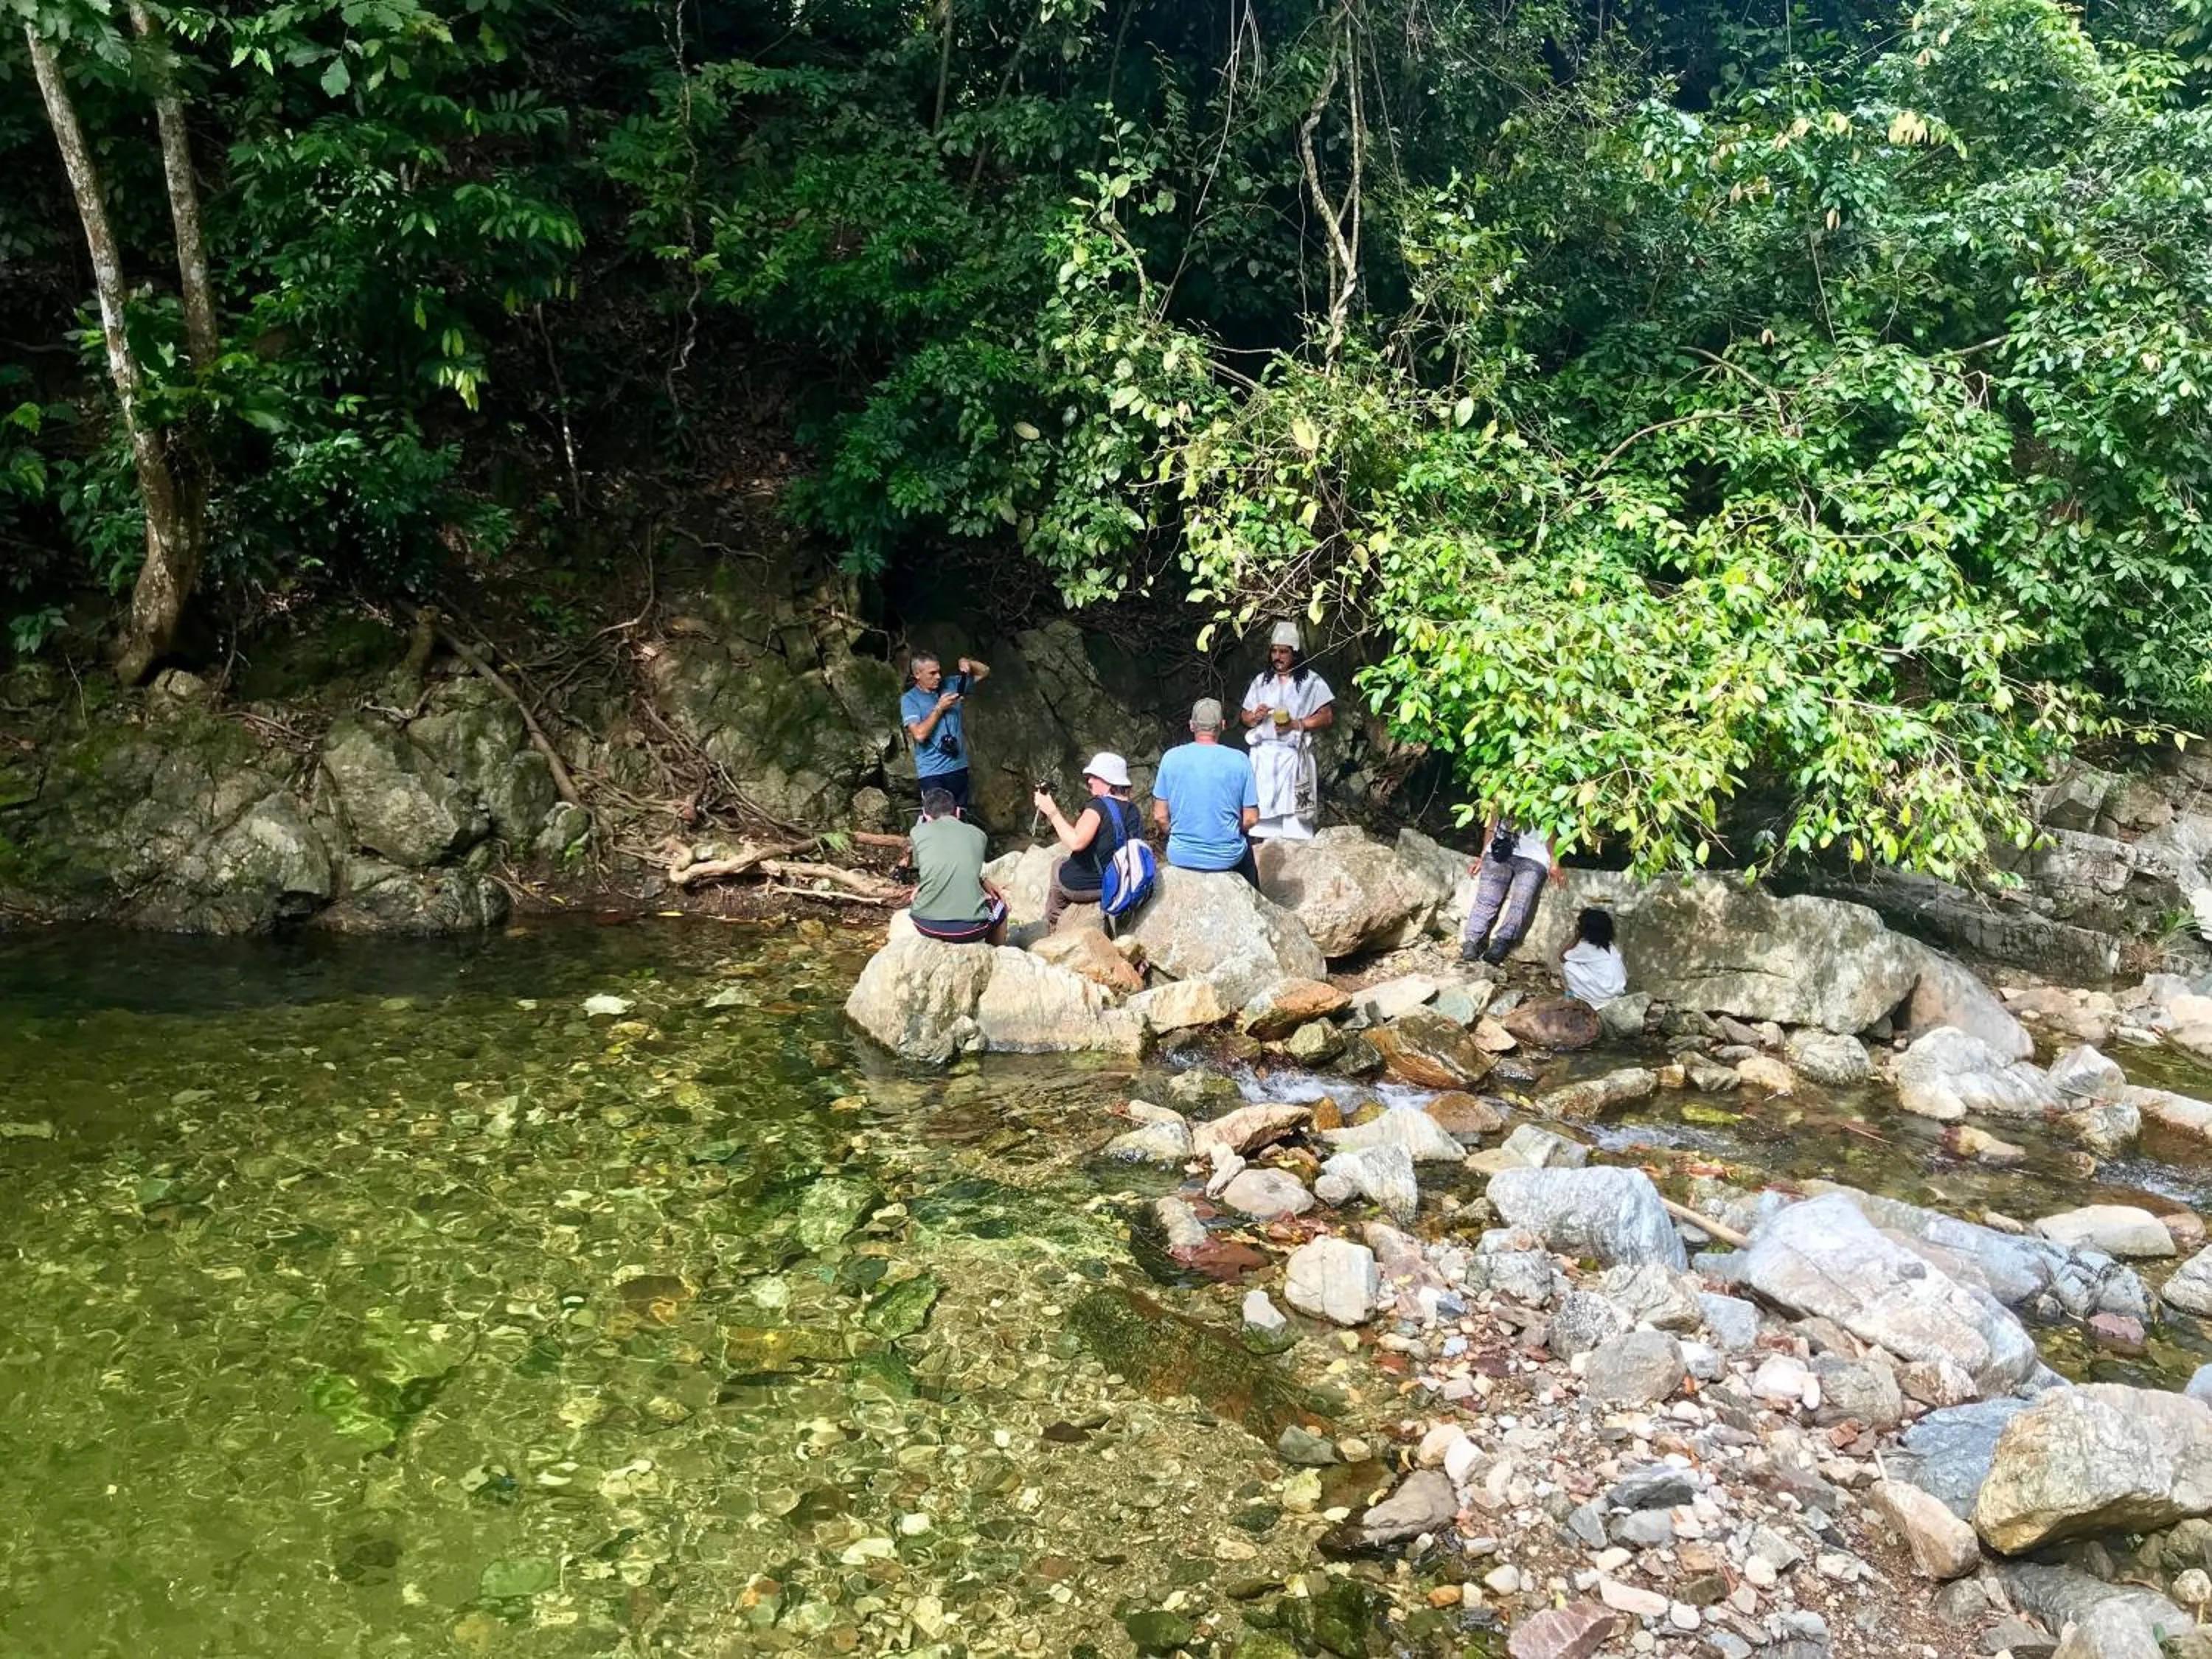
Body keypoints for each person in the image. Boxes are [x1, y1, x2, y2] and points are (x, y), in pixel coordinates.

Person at [1239, 619, 1334, 841]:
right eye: (1274, 651)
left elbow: (1327, 717)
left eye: (1283, 652)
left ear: (1295, 653)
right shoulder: (1261, 681)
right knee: (1261, 825)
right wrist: (1255, 717)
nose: (1277, 657)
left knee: (1296, 823)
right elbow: (1244, 716)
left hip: (1293, 757)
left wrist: (1296, 724)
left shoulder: (1312, 682)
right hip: (1263, 760)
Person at [1153, 698, 1259, 883]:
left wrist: (1180, 835)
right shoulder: (1240, 760)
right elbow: (1251, 819)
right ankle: (1256, 902)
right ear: (1223, 725)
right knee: (1246, 850)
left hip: (1181, 855)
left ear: (1192, 726)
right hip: (1227, 857)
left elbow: (1160, 817)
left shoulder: (1170, 758)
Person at [1032, 752, 1139, 928]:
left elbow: (1076, 842)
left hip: (1090, 885)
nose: (1089, 781)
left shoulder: (1097, 807)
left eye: (1094, 777)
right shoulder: (1133, 809)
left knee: (1058, 865)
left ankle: (1054, 922)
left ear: (1108, 780)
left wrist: (1051, 811)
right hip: (1123, 880)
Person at [1459, 814, 1565, 964]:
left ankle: (1502, 942)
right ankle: (1471, 941)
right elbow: (1492, 823)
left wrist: (1554, 862)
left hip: (1534, 856)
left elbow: (1551, 830)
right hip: (1499, 850)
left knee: (1521, 901)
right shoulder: (1502, 793)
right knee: (1486, 899)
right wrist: (1483, 855)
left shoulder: (1545, 796)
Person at [905, 786, 1007, 943]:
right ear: (958, 812)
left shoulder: (917, 832)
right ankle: (996, 955)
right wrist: (982, 880)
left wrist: (919, 888)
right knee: (1000, 908)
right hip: (969, 928)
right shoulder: (979, 835)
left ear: (925, 815)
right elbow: (966, 865)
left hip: (925, 924)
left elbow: (929, 868)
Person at [900, 650, 990, 815]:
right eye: (932, 673)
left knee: (960, 817)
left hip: (958, 768)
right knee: (937, 820)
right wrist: (939, 709)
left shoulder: (950, 685)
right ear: (917, 674)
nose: (938, 677)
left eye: (939, 671)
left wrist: (968, 663)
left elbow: (984, 671)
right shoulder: (909, 700)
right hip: (932, 773)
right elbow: (919, 735)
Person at [1560, 907, 1627, 1006]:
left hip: (1601, 998)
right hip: (1617, 992)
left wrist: (1576, 938)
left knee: (1568, 965)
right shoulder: (1610, 946)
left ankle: (1574, 998)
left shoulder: (1586, 947)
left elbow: (1562, 957)